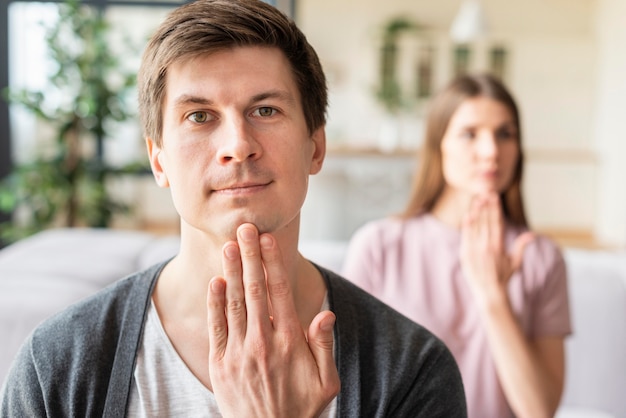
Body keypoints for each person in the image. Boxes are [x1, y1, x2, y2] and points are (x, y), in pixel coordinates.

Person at [0, 1, 467, 416]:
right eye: (199, 116)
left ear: (316, 146)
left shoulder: (412, 371)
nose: (238, 146)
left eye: (265, 110)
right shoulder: (58, 364)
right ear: (158, 159)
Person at [343, 73, 571, 418]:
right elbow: (352, 389)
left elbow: (539, 411)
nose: (491, 151)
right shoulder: (378, 247)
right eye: (469, 134)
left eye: (505, 134)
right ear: (439, 145)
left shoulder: (541, 257)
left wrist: (492, 297)